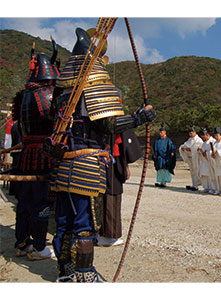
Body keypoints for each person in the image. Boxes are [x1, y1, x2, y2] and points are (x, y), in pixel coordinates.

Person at [48, 28, 156, 282]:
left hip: (63, 165)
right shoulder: (90, 85)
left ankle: (65, 271)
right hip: (85, 164)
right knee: (85, 222)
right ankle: (84, 274)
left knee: (64, 220)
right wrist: (138, 118)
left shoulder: (62, 92)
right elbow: (107, 125)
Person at [11, 38, 59, 260]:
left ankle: (22, 243)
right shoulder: (50, 94)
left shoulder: (23, 95)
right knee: (41, 202)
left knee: (24, 201)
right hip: (43, 154)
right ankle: (40, 247)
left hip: (26, 154)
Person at [97, 117, 143, 247]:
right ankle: (107, 235)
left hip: (95, 158)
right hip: (110, 162)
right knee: (111, 192)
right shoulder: (114, 117)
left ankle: (97, 232)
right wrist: (125, 165)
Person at [179, 125, 203, 191]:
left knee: (197, 171)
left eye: (192, 132)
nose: (191, 134)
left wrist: (190, 149)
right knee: (192, 172)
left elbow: (197, 147)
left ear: (195, 132)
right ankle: (194, 184)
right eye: (190, 133)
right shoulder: (190, 139)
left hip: (196, 158)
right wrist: (183, 148)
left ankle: (198, 184)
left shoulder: (198, 140)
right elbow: (185, 145)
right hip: (191, 158)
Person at [198, 128, 217, 194]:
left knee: (211, 175)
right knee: (204, 174)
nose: (203, 138)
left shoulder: (213, 141)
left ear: (207, 135)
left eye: (204, 137)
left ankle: (213, 188)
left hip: (210, 161)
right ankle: (206, 187)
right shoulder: (204, 143)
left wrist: (206, 153)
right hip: (204, 161)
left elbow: (213, 151)